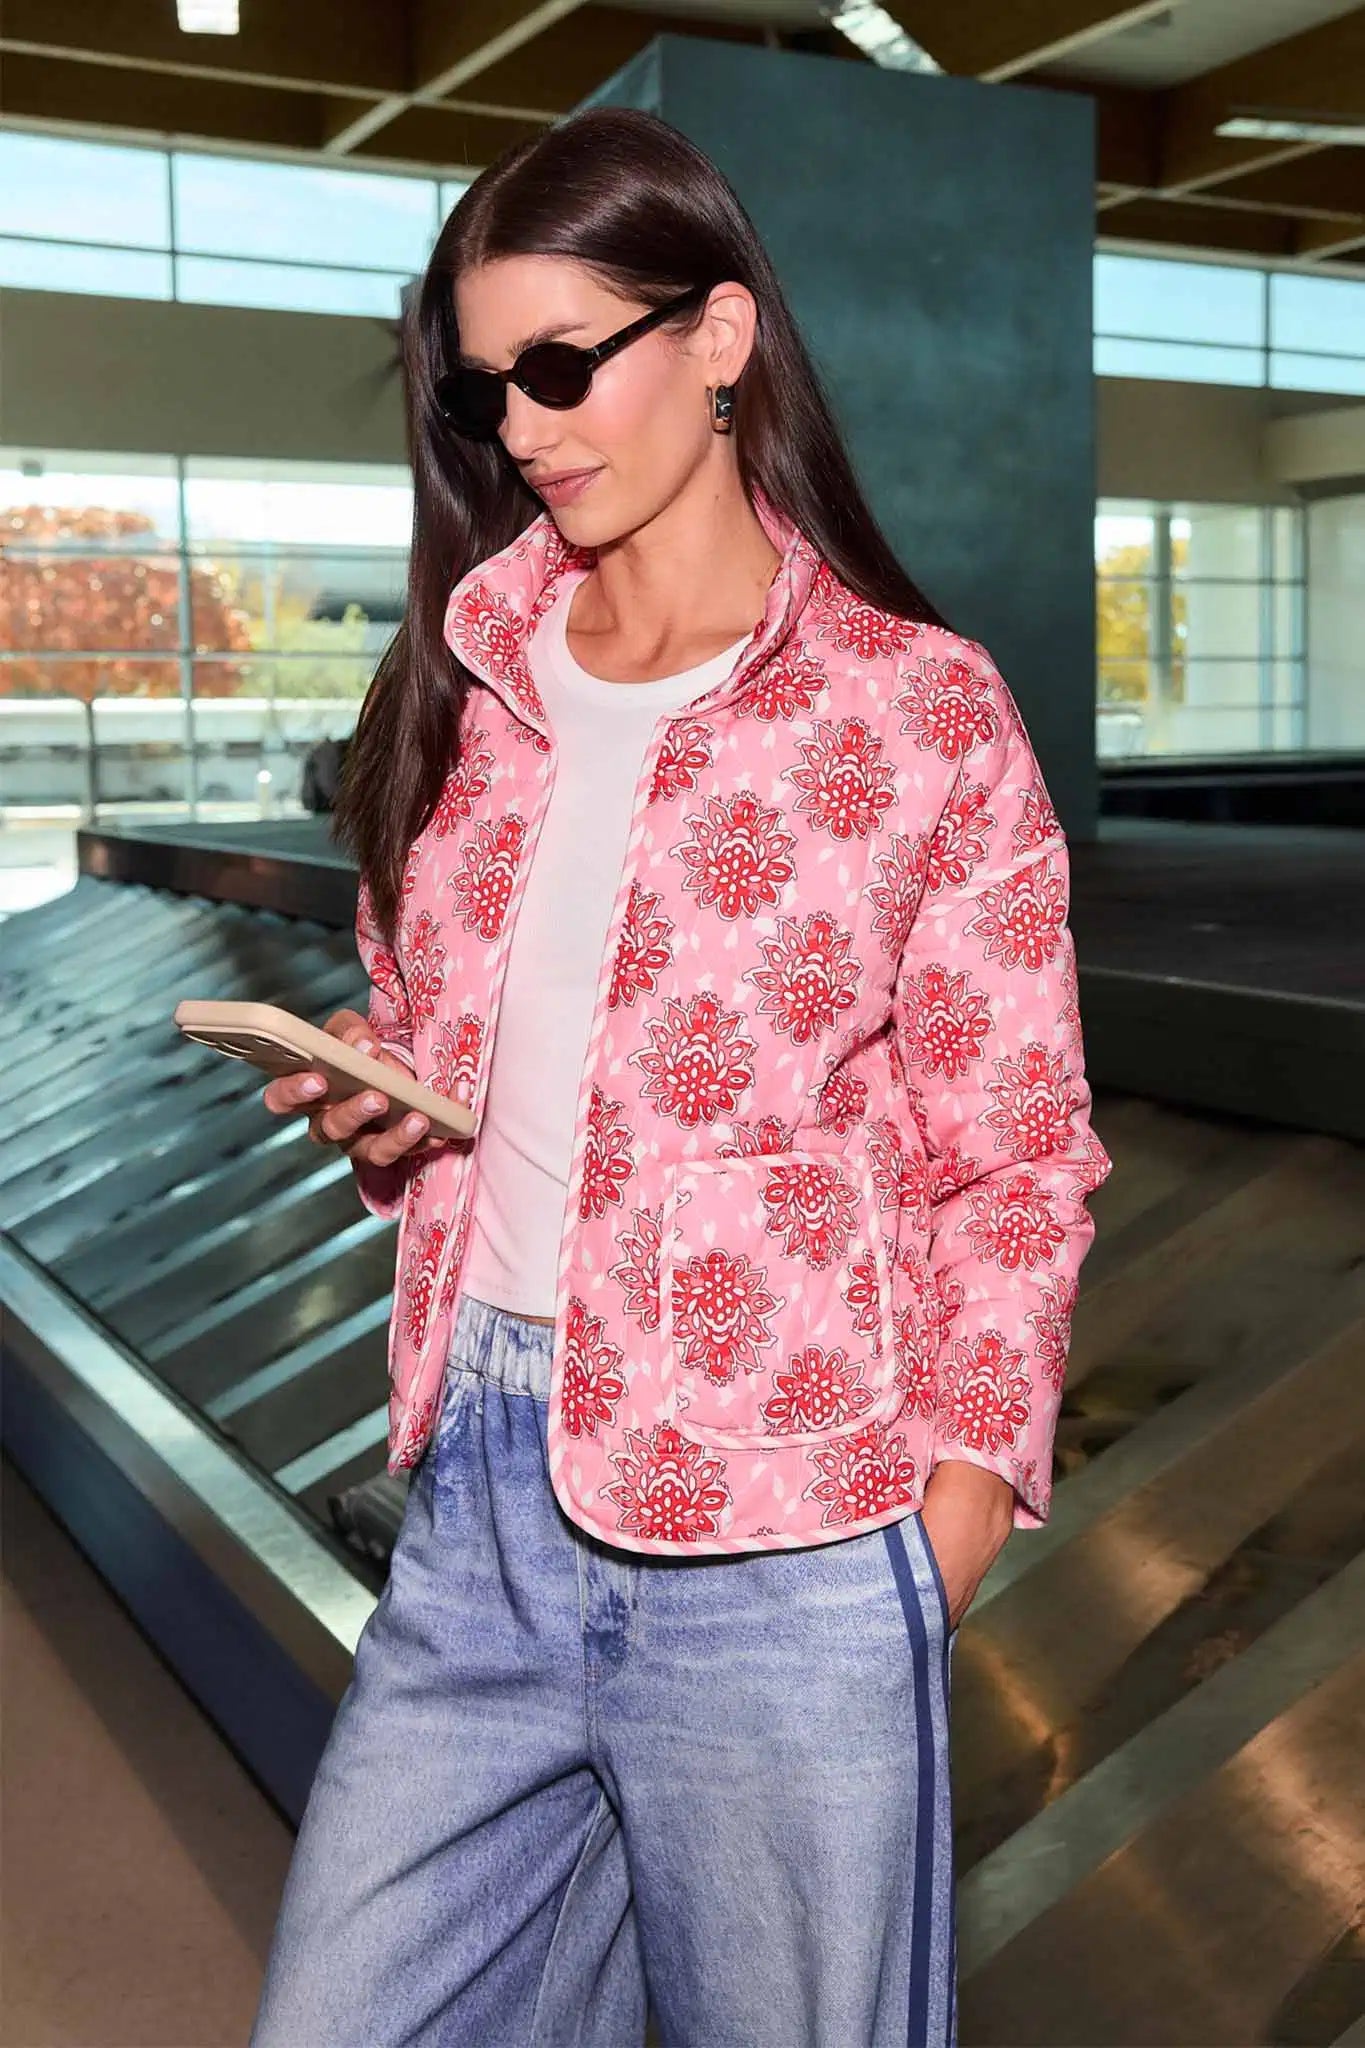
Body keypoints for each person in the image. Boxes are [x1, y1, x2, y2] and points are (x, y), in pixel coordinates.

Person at [250, 104, 1111, 2048]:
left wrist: (942, 1530)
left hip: (789, 1534)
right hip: (480, 1495)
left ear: (717, 336)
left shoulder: (913, 714)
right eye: (488, 393)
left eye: (563, 364)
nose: (527, 426)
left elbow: (1013, 1153)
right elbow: (462, 1045)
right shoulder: (459, 692)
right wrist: (394, 1105)